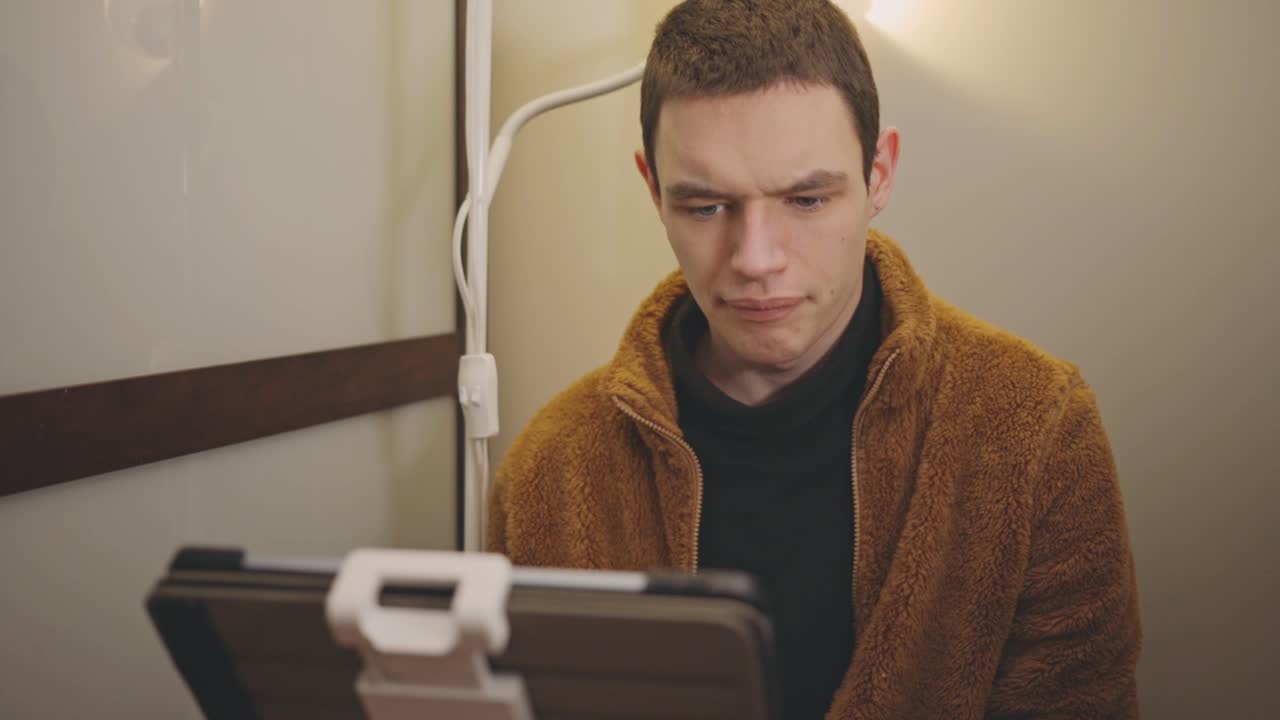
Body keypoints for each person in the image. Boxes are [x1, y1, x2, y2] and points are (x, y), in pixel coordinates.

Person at [488, 0, 1142, 717]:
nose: (755, 259)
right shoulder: (552, 467)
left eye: (805, 200)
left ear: (879, 174)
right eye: (705, 207)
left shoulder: (1034, 429)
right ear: (654, 189)